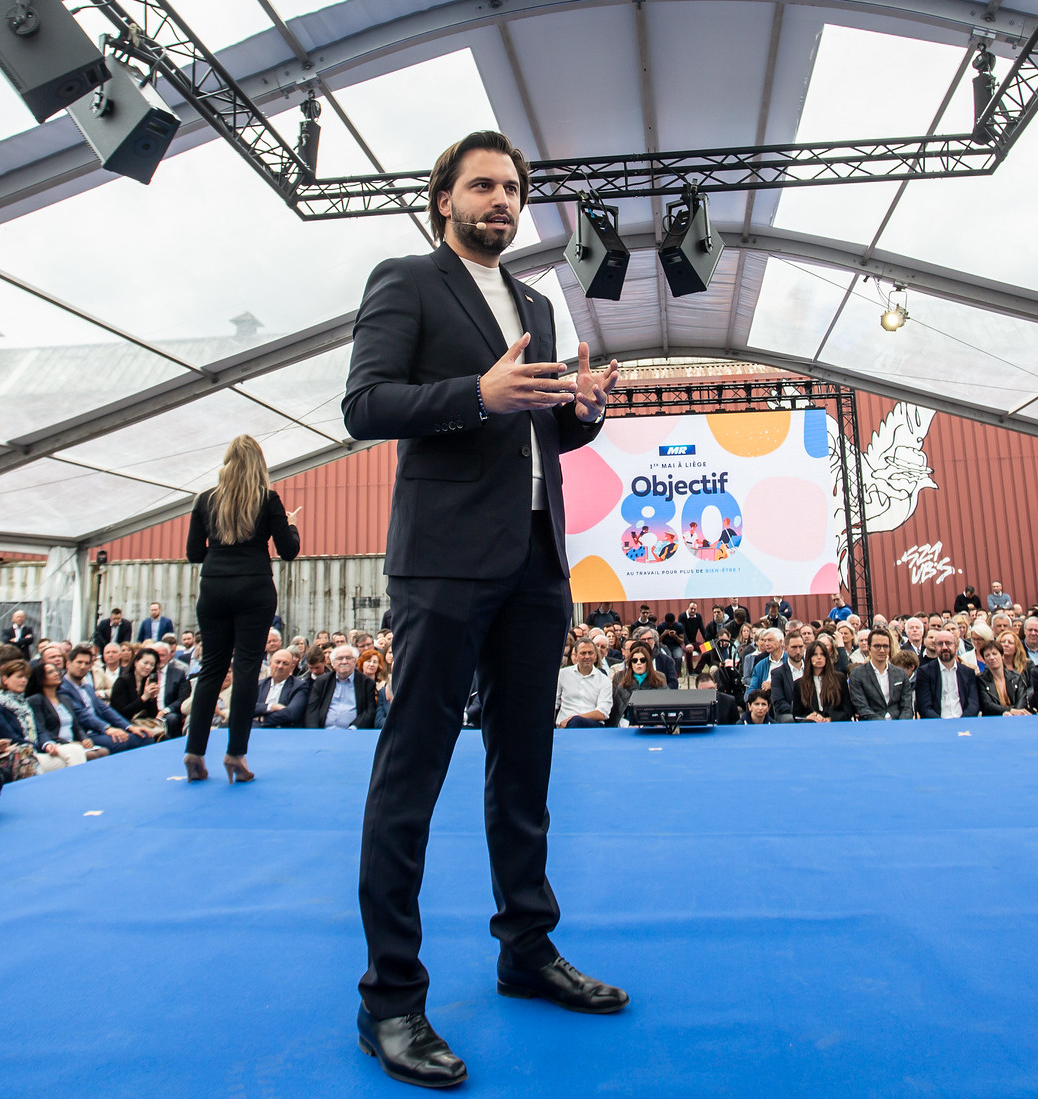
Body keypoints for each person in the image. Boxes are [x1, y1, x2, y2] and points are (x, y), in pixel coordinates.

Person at [340, 129, 626, 1086]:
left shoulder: (539, 304)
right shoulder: (407, 280)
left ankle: (526, 950)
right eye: (482, 186)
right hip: (446, 562)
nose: (500, 201)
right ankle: (389, 996)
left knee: (526, 767)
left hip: (537, 561)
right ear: (444, 199)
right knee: (412, 770)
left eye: (511, 189)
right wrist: (477, 391)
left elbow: (539, 427)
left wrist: (578, 408)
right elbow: (367, 404)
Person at [178, 433, 303, 781]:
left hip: (214, 587)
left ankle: (194, 752)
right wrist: (291, 525)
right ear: (258, 465)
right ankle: (236, 754)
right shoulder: (267, 499)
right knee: (247, 667)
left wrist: (220, 552)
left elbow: (193, 553)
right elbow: (288, 550)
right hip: (254, 588)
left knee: (211, 670)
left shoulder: (205, 500)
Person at [0, 661, 77, 772]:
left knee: (76, 750)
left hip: (37, 749)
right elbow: (10, 738)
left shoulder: (24, 704)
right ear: (5, 680)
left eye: (26, 677)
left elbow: (39, 730)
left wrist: (47, 744)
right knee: (63, 761)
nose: (24, 681)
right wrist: (39, 747)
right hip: (21, 755)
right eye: (19, 677)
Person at [305, 645, 379, 730]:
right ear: (333, 663)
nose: (344, 662)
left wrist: (354, 727)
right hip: (324, 733)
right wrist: (314, 732)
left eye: (348, 658)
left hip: (353, 733)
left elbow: (370, 711)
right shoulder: (322, 682)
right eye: (340, 659)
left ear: (355, 661)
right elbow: (312, 709)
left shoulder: (366, 683)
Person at [848, 629, 913, 720]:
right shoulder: (857, 674)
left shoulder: (901, 674)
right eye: (877, 646)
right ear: (869, 648)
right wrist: (883, 725)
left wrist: (900, 725)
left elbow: (907, 707)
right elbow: (862, 707)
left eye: (885, 646)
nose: (882, 650)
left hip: (898, 726)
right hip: (872, 726)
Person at [915, 630, 980, 719]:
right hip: (937, 724)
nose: (944, 647)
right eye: (940, 644)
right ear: (935, 646)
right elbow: (924, 707)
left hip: (964, 723)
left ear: (956, 646)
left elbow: (973, 704)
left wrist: (963, 722)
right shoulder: (925, 672)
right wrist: (941, 724)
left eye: (948, 643)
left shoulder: (968, 673)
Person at [555, 638, 614, 728]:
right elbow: (554, 704)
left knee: (576, 721)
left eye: (590, 653)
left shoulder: (604, 680)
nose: (587, 657)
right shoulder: (563, 674)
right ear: (576, 655)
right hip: (563, 726)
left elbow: (602, 713)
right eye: (583, 653)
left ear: (595, 656)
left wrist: (573, 718)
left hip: (592, 726)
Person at [610, 639, 665, 728]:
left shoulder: (659, 683)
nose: (638, 663)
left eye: (642, 660)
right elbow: (617, 715)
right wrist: (627, 725)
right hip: (628, 728)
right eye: (635, 660)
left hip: (654, 728)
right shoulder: (622, 686)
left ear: (648, 662)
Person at [792, 641, 851, 722]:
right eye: (815, 654)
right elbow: (797, 715)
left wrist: (829, 718)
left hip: (835, 725)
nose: (819, 657)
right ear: (809, 658)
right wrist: (809, 717)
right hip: (811, 725)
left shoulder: (839, 679)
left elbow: (848, 710)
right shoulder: (799, 684)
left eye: (822, 654)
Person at [255, 649, 312, 729]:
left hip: (284, 731)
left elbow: (292, 713)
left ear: (292, 667)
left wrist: (263, 719)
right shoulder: (259, 685)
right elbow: (248, 708)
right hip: (258, 730)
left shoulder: (300, 686)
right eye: (277, 662)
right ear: (270, 663)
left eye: (285, 663)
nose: (280, 666)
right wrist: (271, 707)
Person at [110, 648, 165, 728]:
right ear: (136, 662)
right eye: (145, 663)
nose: (148, 667)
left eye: (152, 665)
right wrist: (143, 698)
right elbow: (121, 713)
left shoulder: (147, 682)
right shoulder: (122, 681)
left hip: (141, 724)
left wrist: (152, 698)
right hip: (122, 725)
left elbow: (152, 715)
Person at [975, 641, 1031, 716]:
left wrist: (1014, 713)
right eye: (987, 655)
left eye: (994, 654)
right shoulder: (980, 679)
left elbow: (1022, 700)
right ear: (984, 660)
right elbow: (987, 705)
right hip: (994, 719)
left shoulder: (1016, 677)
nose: (991, 658)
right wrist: (1010, 711)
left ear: (1002, 656)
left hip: (1017, 718)